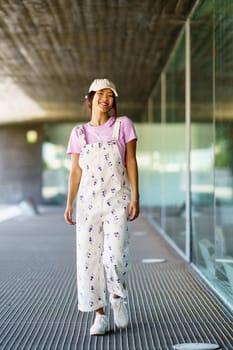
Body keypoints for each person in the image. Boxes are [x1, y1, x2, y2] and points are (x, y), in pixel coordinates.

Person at [64, 78, 140, 335]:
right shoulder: (78, 133)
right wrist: (69, 202)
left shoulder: (123, 126)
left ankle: (118, 297)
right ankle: (99, 316)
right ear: (90, 98)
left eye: (110, 95)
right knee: (89, 260)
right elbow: (75, 171)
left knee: (115, 255)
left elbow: (131, 161)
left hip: (117, 201)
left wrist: (135, 197)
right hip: (87, 204)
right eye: (100, 93)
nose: (105, 99)